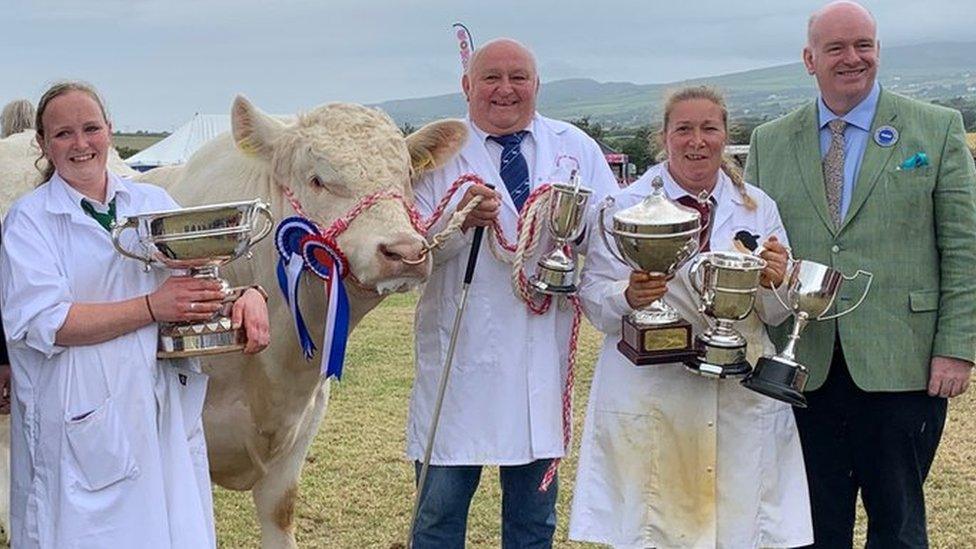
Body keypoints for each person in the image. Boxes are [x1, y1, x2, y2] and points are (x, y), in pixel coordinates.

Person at [0, 81, 271, 548]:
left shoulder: (153, 207)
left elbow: (193, 288)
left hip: (162, 413)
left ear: (110, 130)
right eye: (63, 134)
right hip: (79, 421)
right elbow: (48, 322)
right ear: (43, 145)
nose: (80, 144)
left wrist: (244, 296)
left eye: (91, 128)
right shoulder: (30, 221)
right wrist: (151, 308)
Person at [745, 3, 976, 547]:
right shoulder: (768, 141)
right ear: (809, 59)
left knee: (897, 527)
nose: (853, 58)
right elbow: (754, 245)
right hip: (801, 368)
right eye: (836, 48)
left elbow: (963, 249)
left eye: (863, 45)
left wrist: (957, 347)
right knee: (810, 528)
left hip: (904, 364)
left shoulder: (937, 129)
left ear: (877, 50)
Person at [568, 86, 812, 549]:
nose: (696, 141)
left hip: (738, 388)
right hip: (655, 386)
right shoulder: (624, 205)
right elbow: (594, 298)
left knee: (739, 526)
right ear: (664, 137)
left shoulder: (759, 207)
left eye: (708, 129)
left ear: (726, 136)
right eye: (683, 129)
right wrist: (629, 295)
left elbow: (776, 313)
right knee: (657, 526)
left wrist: (777, 281)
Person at [407, 38, 618, 548]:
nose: (506, 89)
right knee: (436, 517)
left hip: (537, 358)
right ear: (466, 87)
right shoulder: (436, 155)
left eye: (519, 77)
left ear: (537, 85)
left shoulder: (575, 148)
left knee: (533, 522)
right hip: (460, 358)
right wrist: (458, 224)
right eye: (491, 78)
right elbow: (409, 253)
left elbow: (609, 237)